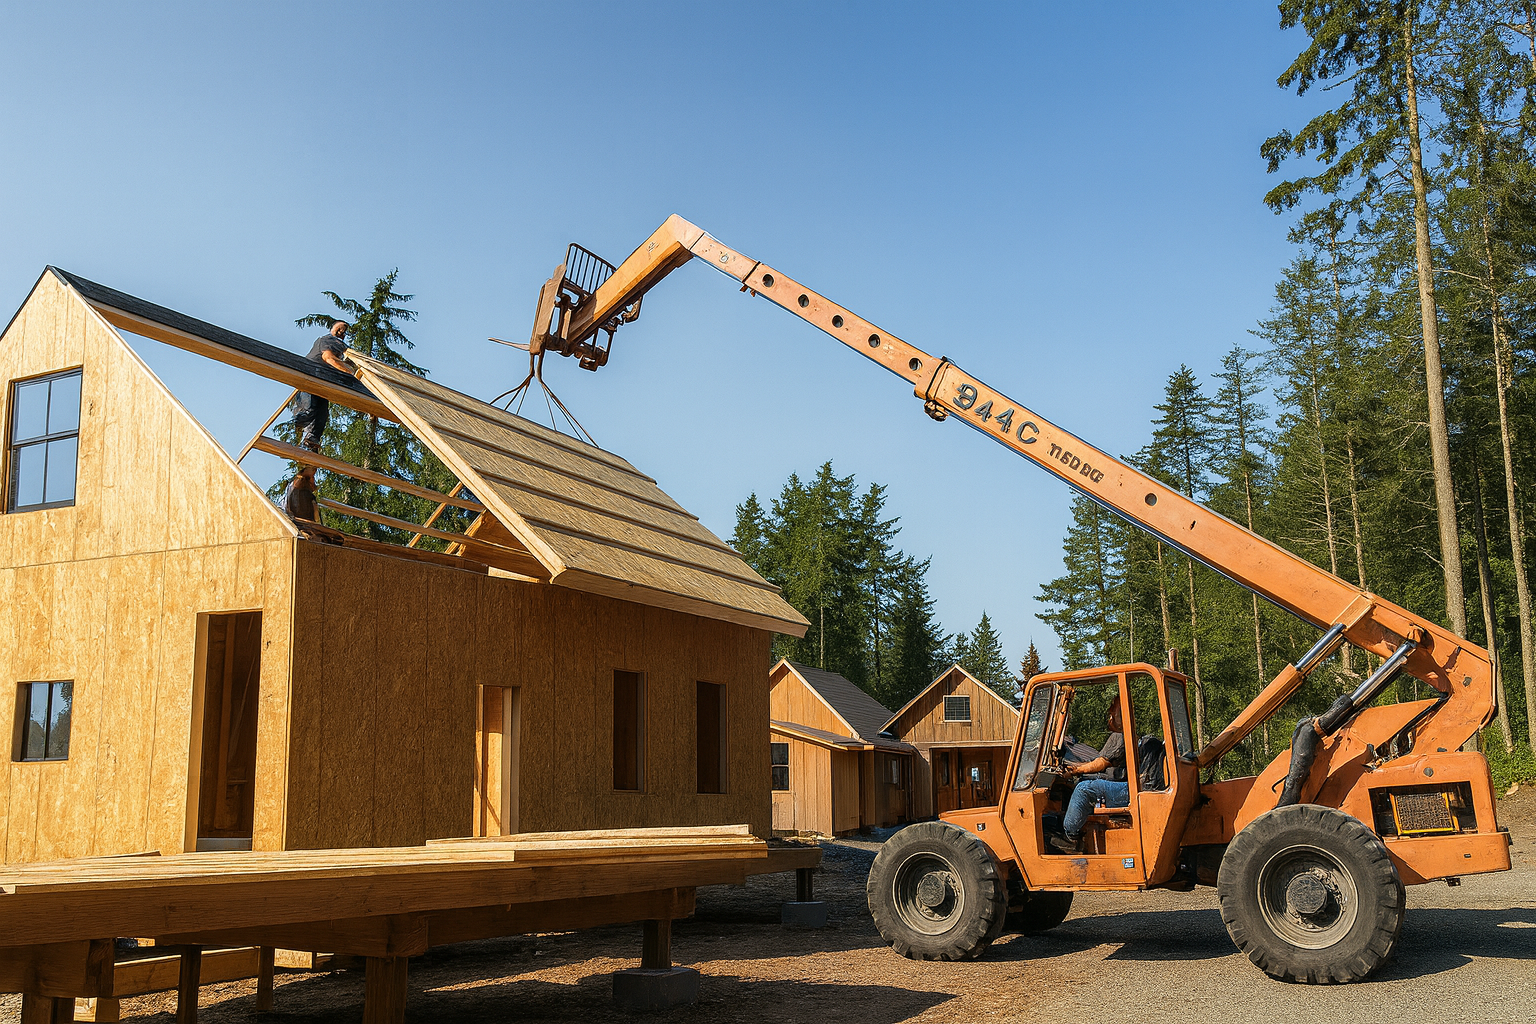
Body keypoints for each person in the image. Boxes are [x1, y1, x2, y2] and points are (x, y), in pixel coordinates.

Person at [1049, 695, 1129, 854]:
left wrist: (1077, 770)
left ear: (1121, 715)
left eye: (1113, 712)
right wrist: (1075, 768)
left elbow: (1101, 764)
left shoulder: (1120, 735)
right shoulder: (1121, 734)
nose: (1110, 715)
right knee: (1082, 782)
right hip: (1122, 784)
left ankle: (1070, 837)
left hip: (1125, 788)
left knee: (1083, 789)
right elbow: (1097, 761)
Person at [292, 320, 353, 451]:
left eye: (344, 332)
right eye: (340, 329)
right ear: (333, 329)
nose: (342, 333)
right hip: (310, 377)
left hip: (322, 382)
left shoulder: (339, 347)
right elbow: (328, 358)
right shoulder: (330, 340)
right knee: (309, 409)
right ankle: (299, 424)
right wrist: (352, 373)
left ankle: (310, 442)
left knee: (322, 415)